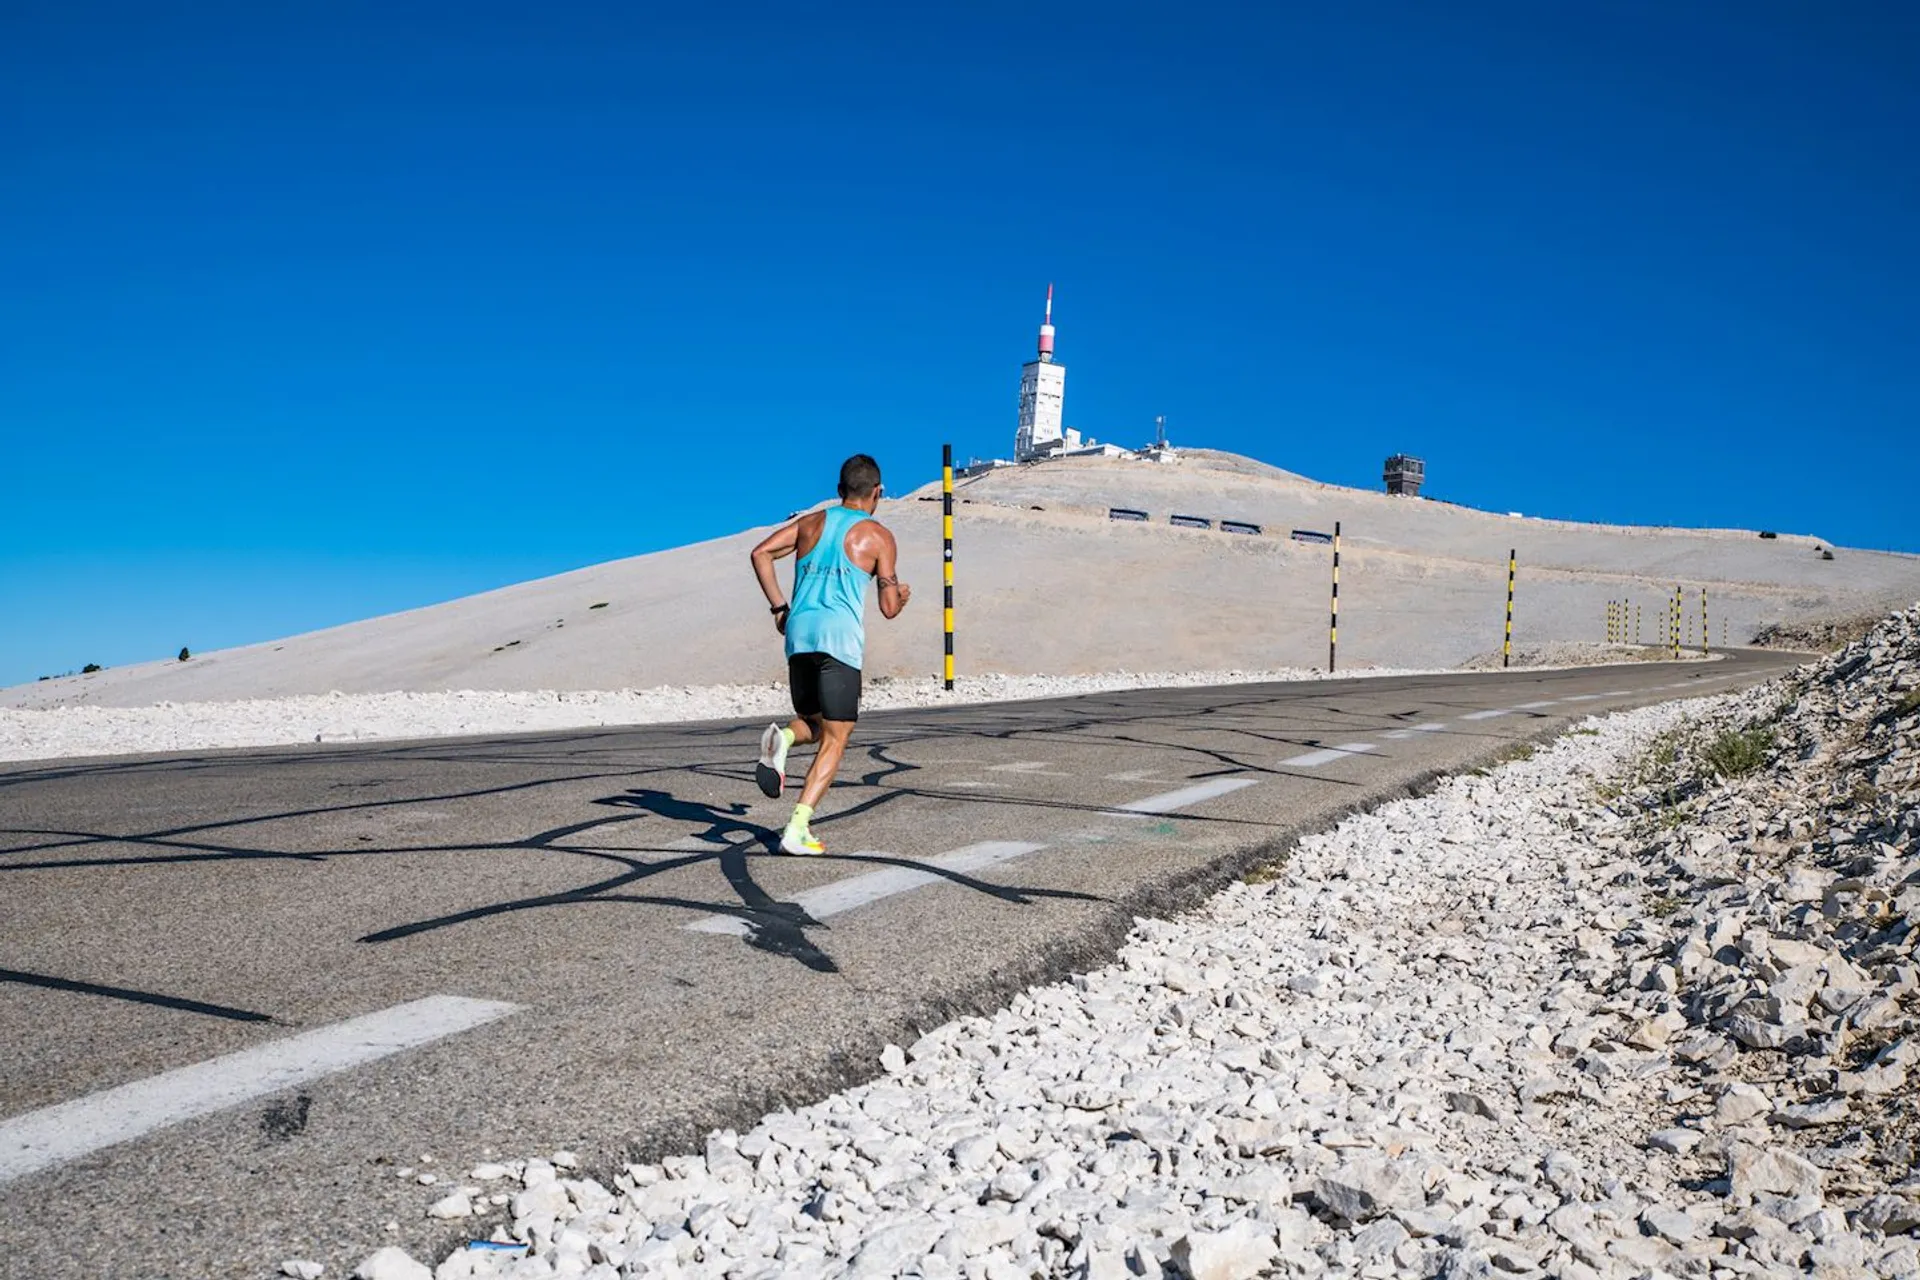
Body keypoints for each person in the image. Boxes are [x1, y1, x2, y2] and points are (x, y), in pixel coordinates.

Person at [748, 453, 911, 854]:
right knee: (837, 739)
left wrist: (779, 608)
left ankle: (783, 738)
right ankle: (797, 828)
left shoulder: (810, 523)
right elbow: (889, 608)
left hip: (799, 636)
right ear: (878, 492)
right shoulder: (878, 536)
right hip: (839, 642)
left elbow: (760, 553)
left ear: (840, 491)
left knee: (816, 725)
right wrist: (901, 594)